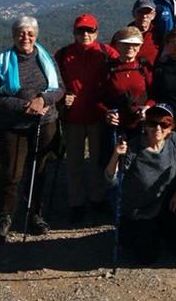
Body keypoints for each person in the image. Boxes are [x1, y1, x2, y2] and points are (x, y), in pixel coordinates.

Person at [0, 16, 65, 244]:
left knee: (38, 171)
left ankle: (34, 214)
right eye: (21, 33)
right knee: (12, 173)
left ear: (36, 35)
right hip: (13, 125)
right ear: (14, 35)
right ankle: (4, 218)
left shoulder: (47, 59)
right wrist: (25, 106)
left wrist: (42, 100)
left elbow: (60, 88)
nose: (26, 37)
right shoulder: (3, 61)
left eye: (30, 33)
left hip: (45, 122)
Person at [105, 103, 176, 264]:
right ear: (145, 125)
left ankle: (168, 236)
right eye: (153, 123)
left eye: (164, 123)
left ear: (171, 127)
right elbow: (112, 179)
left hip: (165, 203)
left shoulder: (174, 140)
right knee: (146, 258)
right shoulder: (133, 146)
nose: (158, 128)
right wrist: (115, 156)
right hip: (138, 210)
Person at [55, 13, 117, 223]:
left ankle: (97, 198)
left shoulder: (106, 52)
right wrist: (62, 99)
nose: (85, 34)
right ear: (74, 33)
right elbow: (54, 85)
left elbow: (121, 71)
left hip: (98, 116)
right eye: (81, 30)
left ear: (96, 32)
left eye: (89, 30)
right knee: (74, 162)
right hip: (73, 117)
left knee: (98, 161)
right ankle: (77, 202)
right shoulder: (63, 55)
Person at [102, 27, 153, 142]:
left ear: (140, 47)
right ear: (118, 46)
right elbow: (99, 96)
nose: (130, 47)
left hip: (140, 124)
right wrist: (106, 113)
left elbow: (154, 93)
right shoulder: (109, 68)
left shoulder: (144, 67)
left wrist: (147, 107)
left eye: (135, 44)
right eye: (126, 44)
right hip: (116, 125)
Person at [129, 0, 160, 73]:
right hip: (131, 79)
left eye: (148, 12)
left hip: (153, 81)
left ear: (154, 15)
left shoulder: (159, 34)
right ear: (133, 13)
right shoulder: (123, 36)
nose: (144, 16)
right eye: (140, 12)